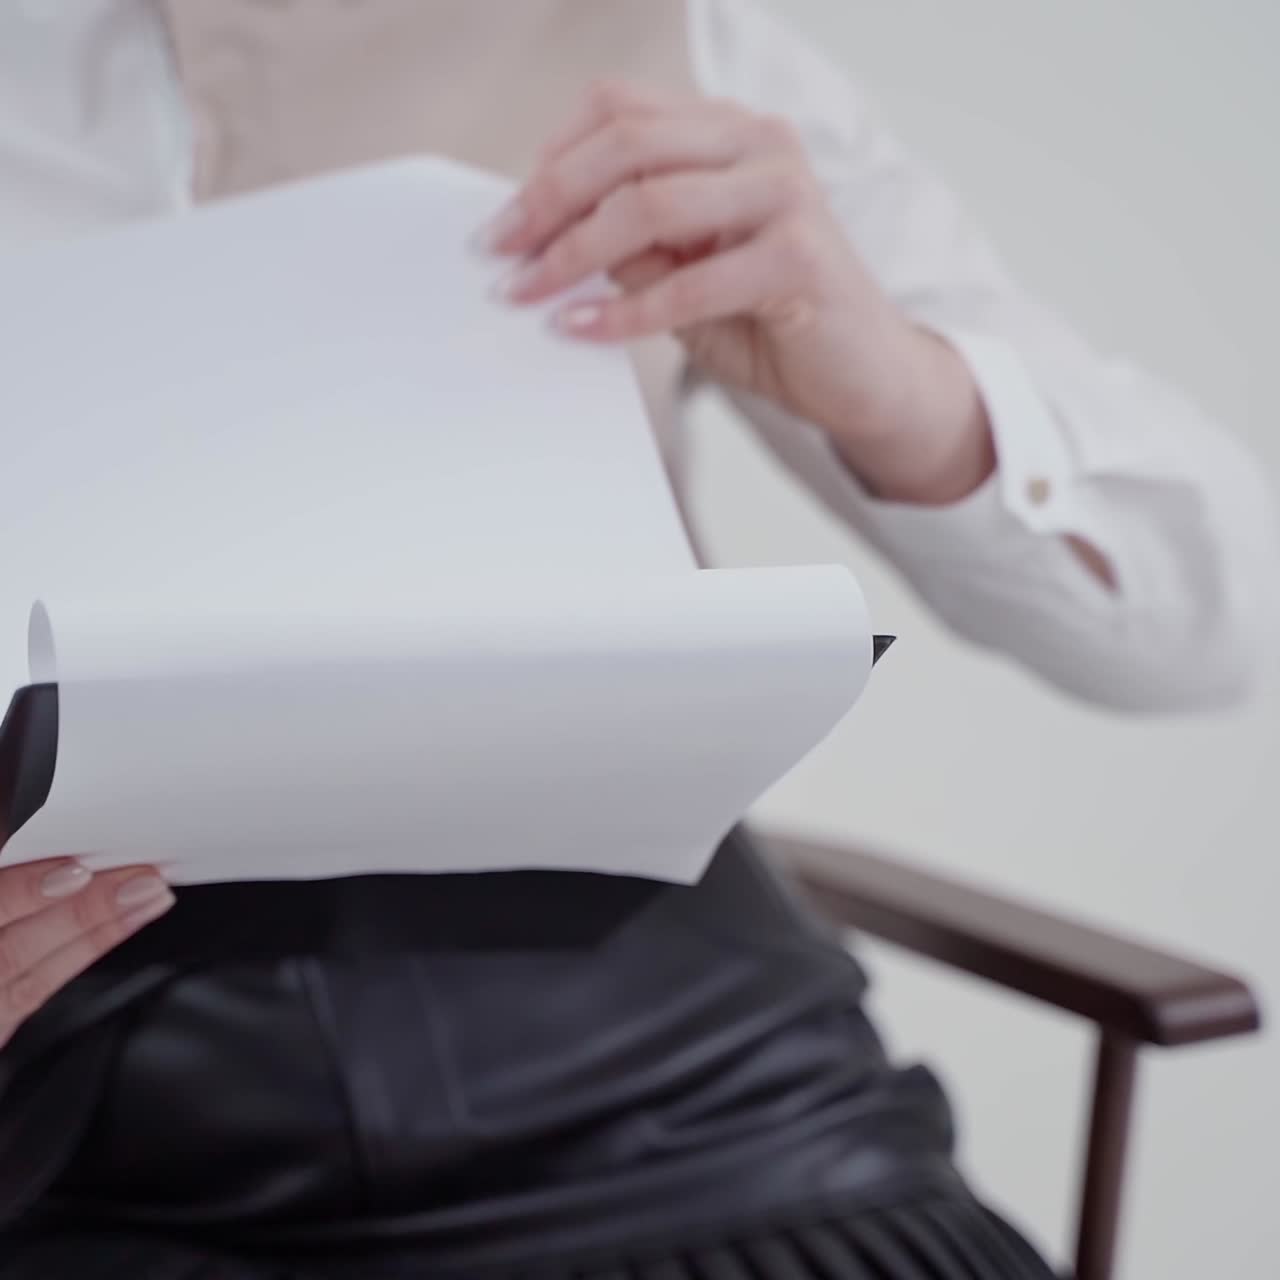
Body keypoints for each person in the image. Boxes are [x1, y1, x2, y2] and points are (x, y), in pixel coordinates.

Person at [0, 2, 1274, 1277]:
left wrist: (899, 383)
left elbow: (1203, 627)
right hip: (76, 1121)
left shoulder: (660, 41)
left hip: (705, 1096)